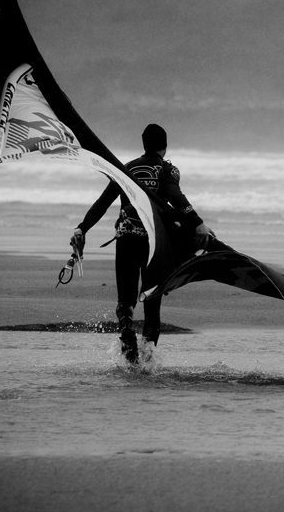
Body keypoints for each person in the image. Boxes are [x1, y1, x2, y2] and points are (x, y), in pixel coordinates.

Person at [70, 124, 211, 363]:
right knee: (152, 301)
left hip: (126, 237)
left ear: (143, 144)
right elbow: (175, 197)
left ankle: (127, 334)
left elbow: (103, 202)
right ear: (165, 146)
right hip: (154, 244)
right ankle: (146, 361)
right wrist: (197, 223)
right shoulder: (167, 169)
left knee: (125, 302)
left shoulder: (126, 169)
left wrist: (82, 228)